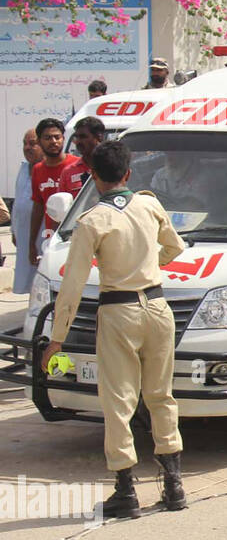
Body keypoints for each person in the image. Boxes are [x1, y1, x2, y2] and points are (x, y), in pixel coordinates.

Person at [40, 141, 187, 520]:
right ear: (128, 174)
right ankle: (173, 484)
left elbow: (72, 284)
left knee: (119, 401)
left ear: (93, 175)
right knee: (161, 395)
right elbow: (175, 246)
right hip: (157, 305)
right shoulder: (149, 204)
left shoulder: (92, 220)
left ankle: (126, 489)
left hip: (119, 310)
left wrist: (57, 339)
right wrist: (148, 264)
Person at [28, 117, 73, 267]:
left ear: (63, 138)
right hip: (52, 239)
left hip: (76, 236)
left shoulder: (77, 165)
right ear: (40, 142)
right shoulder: (38, 170)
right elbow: (38, 207)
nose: (53, 141)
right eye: (47, 138)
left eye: (57, 137)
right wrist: (32, 243)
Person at [12, 128, 40, 294]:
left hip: (41, 235)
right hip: (23, 234)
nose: (27, 147)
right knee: (27, 282)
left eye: (32, 143)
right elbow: (17, 203)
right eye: (25, 143)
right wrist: (14, 230)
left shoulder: (47, 170)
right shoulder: (23, 169)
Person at [59, 116, 105, 198]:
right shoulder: (68, 172)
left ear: (99, 137)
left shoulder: (112, 166)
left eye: (83, 137)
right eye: (76, 137)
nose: (78, 142)